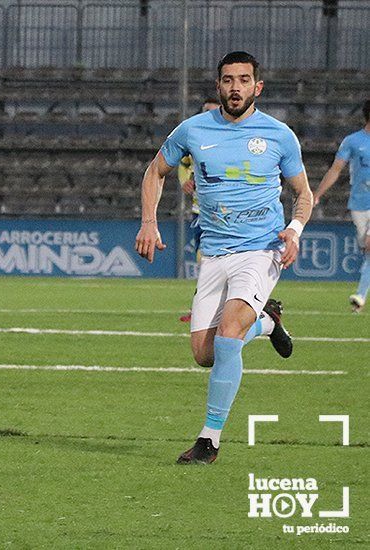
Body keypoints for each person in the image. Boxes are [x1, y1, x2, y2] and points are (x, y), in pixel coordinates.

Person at [135, 51, 313, 464]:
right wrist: (149, 221)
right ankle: (267, 322)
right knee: (205, 353)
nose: (236, 87)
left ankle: (208, 440)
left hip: (261, 250)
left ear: (258, 87)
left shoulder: (279, 135)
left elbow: (304, 193)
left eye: (244, 80)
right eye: (229, 80)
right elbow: (154, 172)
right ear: (218, 86)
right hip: (214, 253)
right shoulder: (192, 131)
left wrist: (295, 230)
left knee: (230, 332)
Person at [313, 99, 370, 313]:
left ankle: (360, 296)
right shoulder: (353, 141)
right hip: (359, 204)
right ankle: (360, 298)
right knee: (367, 253)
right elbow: (336, 170)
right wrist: (317, 194)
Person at [178, 97, 221, 322]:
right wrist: (185, 180)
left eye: (215, 111)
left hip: (225, 211)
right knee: (204, 259)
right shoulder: (195, 138)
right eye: (207, 112)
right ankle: (203, 308)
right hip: (200, 210)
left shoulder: (228, 138)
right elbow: (183, 164)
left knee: (216, 259)